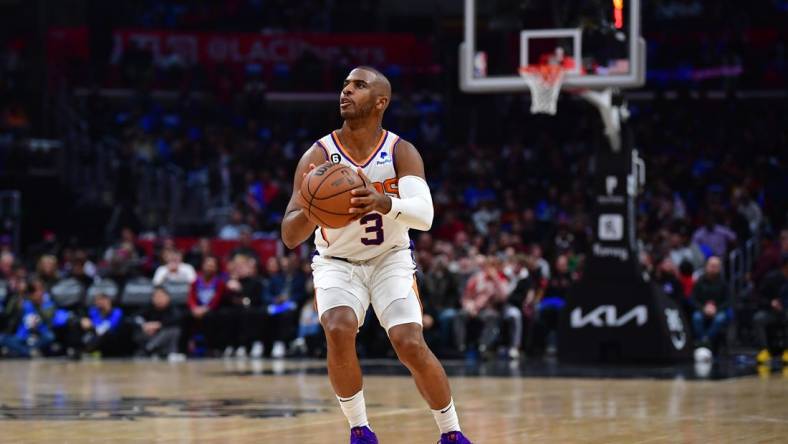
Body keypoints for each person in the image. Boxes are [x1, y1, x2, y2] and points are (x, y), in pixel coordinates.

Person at [281, 66, 471, 443]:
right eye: (345, 85)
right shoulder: (318, 155)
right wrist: (313, 211)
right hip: (337, 263)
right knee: (337, 328)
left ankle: (451, 434)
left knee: (409, 343)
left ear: (381, 101)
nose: (346, 91)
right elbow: (289, 234)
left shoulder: (401, 151)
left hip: (390, 259)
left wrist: (383, 201)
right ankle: (360, 430)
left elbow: (426, 216)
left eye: (359, 86)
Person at [752, 254, 788, 364]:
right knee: (758, 318)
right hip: (772, 312)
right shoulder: (771, 278)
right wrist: (771, 303)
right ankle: (763, 350)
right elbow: (759, 297)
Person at [186, 256, 226, 354]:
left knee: (211, 318)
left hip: (211, 310)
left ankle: (211, 348)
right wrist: (194, 308)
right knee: (185, 317)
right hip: (197, 309)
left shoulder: (219, 282)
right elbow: (191, 296)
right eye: (207, 265)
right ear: (203, 266)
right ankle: (185, 347)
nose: (209, 268)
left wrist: (206, 309)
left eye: (212, 266)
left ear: (216, 268)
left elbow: (217, 299)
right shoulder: (196, 281)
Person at [691, 257, 729, 353]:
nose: (713, 268)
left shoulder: (724, 283)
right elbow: (693, 299)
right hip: (702, 309)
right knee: (696, 317)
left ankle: (704, 340)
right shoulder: (699, 281)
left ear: (720, 268)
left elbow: (728, 301)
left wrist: (716, 309)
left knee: (720, 319)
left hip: (718, 310)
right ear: (706, 266)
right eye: (711, 266)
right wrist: (703, 308)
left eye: (716, 266)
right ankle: (704, 340)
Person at [133, 287, 183, 359]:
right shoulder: (148, 307)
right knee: (138, 331)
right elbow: (135, 318)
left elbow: (176, 319)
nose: (159, 299)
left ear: (168, 297)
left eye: (161, 296)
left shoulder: (173, 308)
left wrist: (158, 325)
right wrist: (144, 325)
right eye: (156, 296)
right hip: (149, 335)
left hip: (165, 336)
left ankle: (149, 349)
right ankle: (152, 351)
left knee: (174, 330)